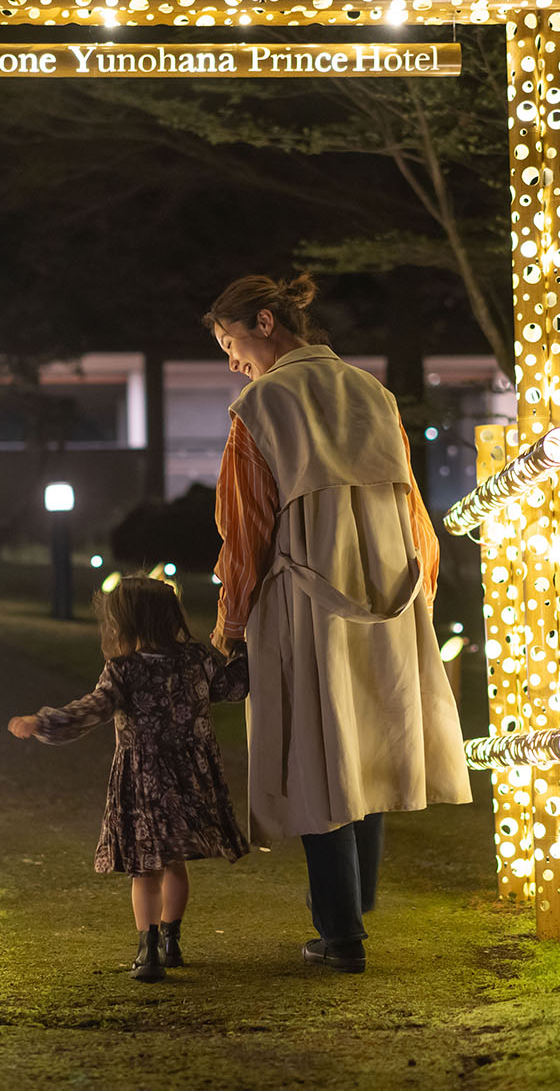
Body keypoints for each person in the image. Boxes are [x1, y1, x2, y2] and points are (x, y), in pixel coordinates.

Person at [204, 272, 470, 975]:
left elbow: (247, 526)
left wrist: (232, 619)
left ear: (265, 323)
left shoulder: (260, 406)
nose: (233, 362)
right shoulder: (372, 392)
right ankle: (356, 904)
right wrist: (423, 596)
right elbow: (412, 501)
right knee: (370, 742)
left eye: (232, 344)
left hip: (306, 600)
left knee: (319, 757)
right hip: (389, 590)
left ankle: (341, 931)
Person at [8, 576, 251, 983]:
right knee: (174, 863)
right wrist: (243, 648)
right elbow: (234, 686)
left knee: (145, 869)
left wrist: (42, 722)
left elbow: (93, 708)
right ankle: (172, 943)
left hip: (143, 780)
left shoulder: (124, 670)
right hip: (191, 775)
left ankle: (148, 951)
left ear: (127, 622)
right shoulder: (198, 659)